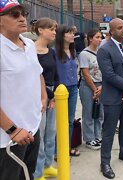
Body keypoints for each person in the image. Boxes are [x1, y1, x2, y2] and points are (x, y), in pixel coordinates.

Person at [0, 1, 47, 179]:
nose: (22, 18)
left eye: (23, 14)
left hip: (32, 129)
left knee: (29, 175)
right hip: (9, 139)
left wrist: (42, 97)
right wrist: (12, 129)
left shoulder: (28, 43)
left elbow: (37, 73)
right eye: (14, 15)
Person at [97, 18, 123, 179]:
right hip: (112, 98)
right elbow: (109, 75)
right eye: (119, 28)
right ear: (111, 31)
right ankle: (105, 162)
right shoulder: (104, 49)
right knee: (108, 132)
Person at [32, 17, 59, 180]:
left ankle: (48, 164)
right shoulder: (31, 51)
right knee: (40, 134)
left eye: (55, 29)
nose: (54, 32)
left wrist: (55, 95)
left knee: (51, 132)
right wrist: (47, 96)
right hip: (38, 96)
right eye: (51, 29)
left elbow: (56, 75)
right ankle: (38, 171)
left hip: (53, 96)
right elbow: (34, 76)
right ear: (41, 30)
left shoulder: (52, 51)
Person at [54, 25, 80, 156]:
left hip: (73, 88)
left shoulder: (73, 51)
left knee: (69, 120)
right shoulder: (54, 52)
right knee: (59, 121)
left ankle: (67, 148)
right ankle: (56, 151)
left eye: (73, 33)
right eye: (69, 33)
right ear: (61, 36)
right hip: (60, 91)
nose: (72, 35)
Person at [78, 29, 104, 150]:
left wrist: (101, 87)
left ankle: (98, 135)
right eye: (97, 37)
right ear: (90, 39)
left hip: (100, 85)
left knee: (99, 112)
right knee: (89, 112)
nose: (100, 40)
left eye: (101, 37)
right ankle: (89, 139)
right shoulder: (84, 54)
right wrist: (94, 89)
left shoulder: (101, 52)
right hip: (88, 86)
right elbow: (86, 74)